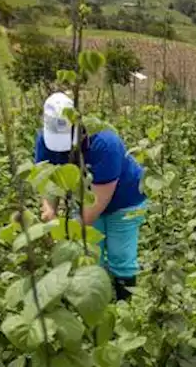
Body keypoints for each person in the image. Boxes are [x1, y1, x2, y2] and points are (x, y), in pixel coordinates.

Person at [35, 91, 148, 301]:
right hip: (86, 199)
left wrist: (64, 233)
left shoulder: (105, 143)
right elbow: (48, 180)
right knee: (91, 256)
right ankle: (99, 304)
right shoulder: (44, 140)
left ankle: (125, 307)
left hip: (125, 200)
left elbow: (96, 204)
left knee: (120, 256)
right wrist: (49, 210)